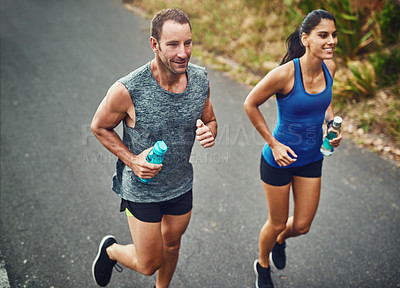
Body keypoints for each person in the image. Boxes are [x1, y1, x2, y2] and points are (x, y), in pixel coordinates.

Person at [90, 9, 217, 288]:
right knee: (149, 264)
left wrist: (209, 133)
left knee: (171, 246)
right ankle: (111, 251)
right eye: (172, 44)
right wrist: (133, 160)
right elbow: (99, 127)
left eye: (188, 43)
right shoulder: (128, 89)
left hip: (181, 183)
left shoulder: (199, 80)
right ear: (154, 44)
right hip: (142, 188)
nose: (183, 52)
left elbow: (210, 119)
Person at [244, 9, 342, 288]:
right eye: (323, 35)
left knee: (301, 226)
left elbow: (325, 104)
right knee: (276, 222)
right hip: (279, 161)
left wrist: (330, 126)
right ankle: (262, 264)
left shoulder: (330, 68)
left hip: (312, 158)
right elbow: (250, 104)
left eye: (334, 35)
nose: (331, 41)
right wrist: (273, 144)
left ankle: (280, 241)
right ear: (306, 38)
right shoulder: (284, 75)